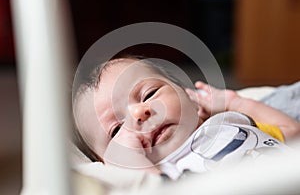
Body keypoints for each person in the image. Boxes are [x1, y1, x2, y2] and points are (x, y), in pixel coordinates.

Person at [72, 56, 300, 179]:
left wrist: (235, 103)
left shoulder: (230, 122)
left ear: (190, 97)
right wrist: (131, 164)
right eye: (116, 130)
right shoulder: (165, 175)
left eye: (149, 94)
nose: (139, 114)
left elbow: (291, 131)